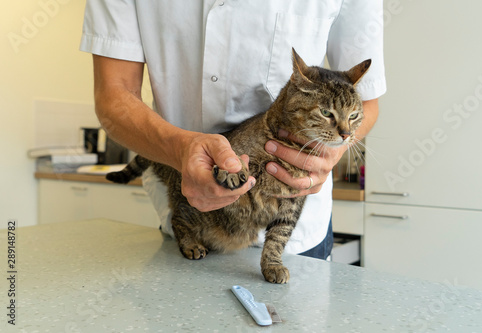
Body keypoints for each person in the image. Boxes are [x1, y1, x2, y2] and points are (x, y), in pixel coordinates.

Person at [80, 1, 386, 260]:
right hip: (192, 215)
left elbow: (367, 103)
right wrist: (179, 149)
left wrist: (330, 155)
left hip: (298, 238)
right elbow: (113, 95)